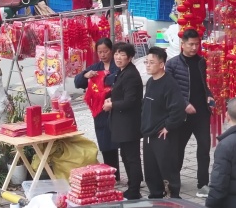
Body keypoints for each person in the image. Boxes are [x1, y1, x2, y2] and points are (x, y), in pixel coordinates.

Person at [166, 28, 215, 198]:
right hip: (183, 115)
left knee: (204, 149)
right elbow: (171, 90)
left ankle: (203, 184)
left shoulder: (201, 61)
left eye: (197, 44)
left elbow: (203, 85)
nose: (194, 48)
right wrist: (184, 104)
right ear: (182, 44)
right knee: (177, 149)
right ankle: (172, 182)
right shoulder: (172, 64)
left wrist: (209, 96)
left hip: (201, 112)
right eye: (191, 44)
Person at [142, 47, 187, 199]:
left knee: (167, 167)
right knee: (150, 168)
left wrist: (168, 126)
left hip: (163, 133)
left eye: (151, 62)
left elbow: (179, 109)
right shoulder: (150, 82)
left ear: (161, 64)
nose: (148, 65)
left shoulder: (169, 83)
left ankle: (173, 196)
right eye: (146, 62)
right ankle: (155, 194)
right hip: (149, 132)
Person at [74, 38, 120, 181]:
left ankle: (129, 176)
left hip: (117, 109)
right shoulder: (95, 67)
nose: (102, 54)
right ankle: (111, 175)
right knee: (106, 144)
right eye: (100, 52)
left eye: (105, 51)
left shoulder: (117, 66)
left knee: (122, 144)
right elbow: (77, 82)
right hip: (100, 111)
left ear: (111, 51)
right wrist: (85, 75)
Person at [103, 42, 144, 200]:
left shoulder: (131, 75)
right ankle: (132, 186)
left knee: (132, 156)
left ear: (130, 57)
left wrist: (112, 104)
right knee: (126, 155)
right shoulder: (122, 71)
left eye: (122, 54)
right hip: (122, 122)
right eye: (116, 54)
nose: (118, 57)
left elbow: (131, 101)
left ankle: (134, 189)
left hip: (129, 123)